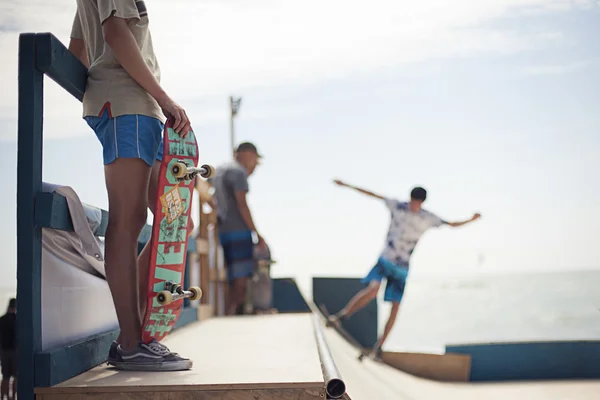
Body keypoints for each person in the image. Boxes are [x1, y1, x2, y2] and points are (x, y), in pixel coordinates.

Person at [68, 0, 194, 371]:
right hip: (129, 107)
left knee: (177, 223)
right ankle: (130, 341)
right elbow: (115, 32)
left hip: (135, 108)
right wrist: (162, 97)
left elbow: (77, 51)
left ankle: (134, 332)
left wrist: (99, 97)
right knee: (130, 219)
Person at [327, 179, 481, 360]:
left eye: (418, 203)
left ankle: (379, 347)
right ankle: (342, 316)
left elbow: (451, 224)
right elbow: (373, 195)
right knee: (372, 290)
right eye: (413, 201)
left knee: (395, 307)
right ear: (410, 199)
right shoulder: (397, 206)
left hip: (402, 268)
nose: (414, 205)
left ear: (422, 202)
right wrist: (347, 185)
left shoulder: (428, 217)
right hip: (385, 260)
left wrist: (471, 219)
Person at [210, 142, 266, 315]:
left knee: (227, 276)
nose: (255, 165)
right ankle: (231, 315)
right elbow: (242, 204)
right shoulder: (238, 172)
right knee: (240, 280)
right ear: (247, 154)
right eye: (255, 159)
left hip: (222, 230)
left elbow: (210, 197)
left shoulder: (219, 170)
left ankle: (226, 313)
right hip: (238, 231)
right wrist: (256, 233)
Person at [0, 298, 16, 400]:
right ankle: (13, 397)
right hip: (15, 351)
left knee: (5, 376)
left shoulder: (1, 319)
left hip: (3, 351)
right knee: (16, 376)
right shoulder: (17, 320)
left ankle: (3, 397)